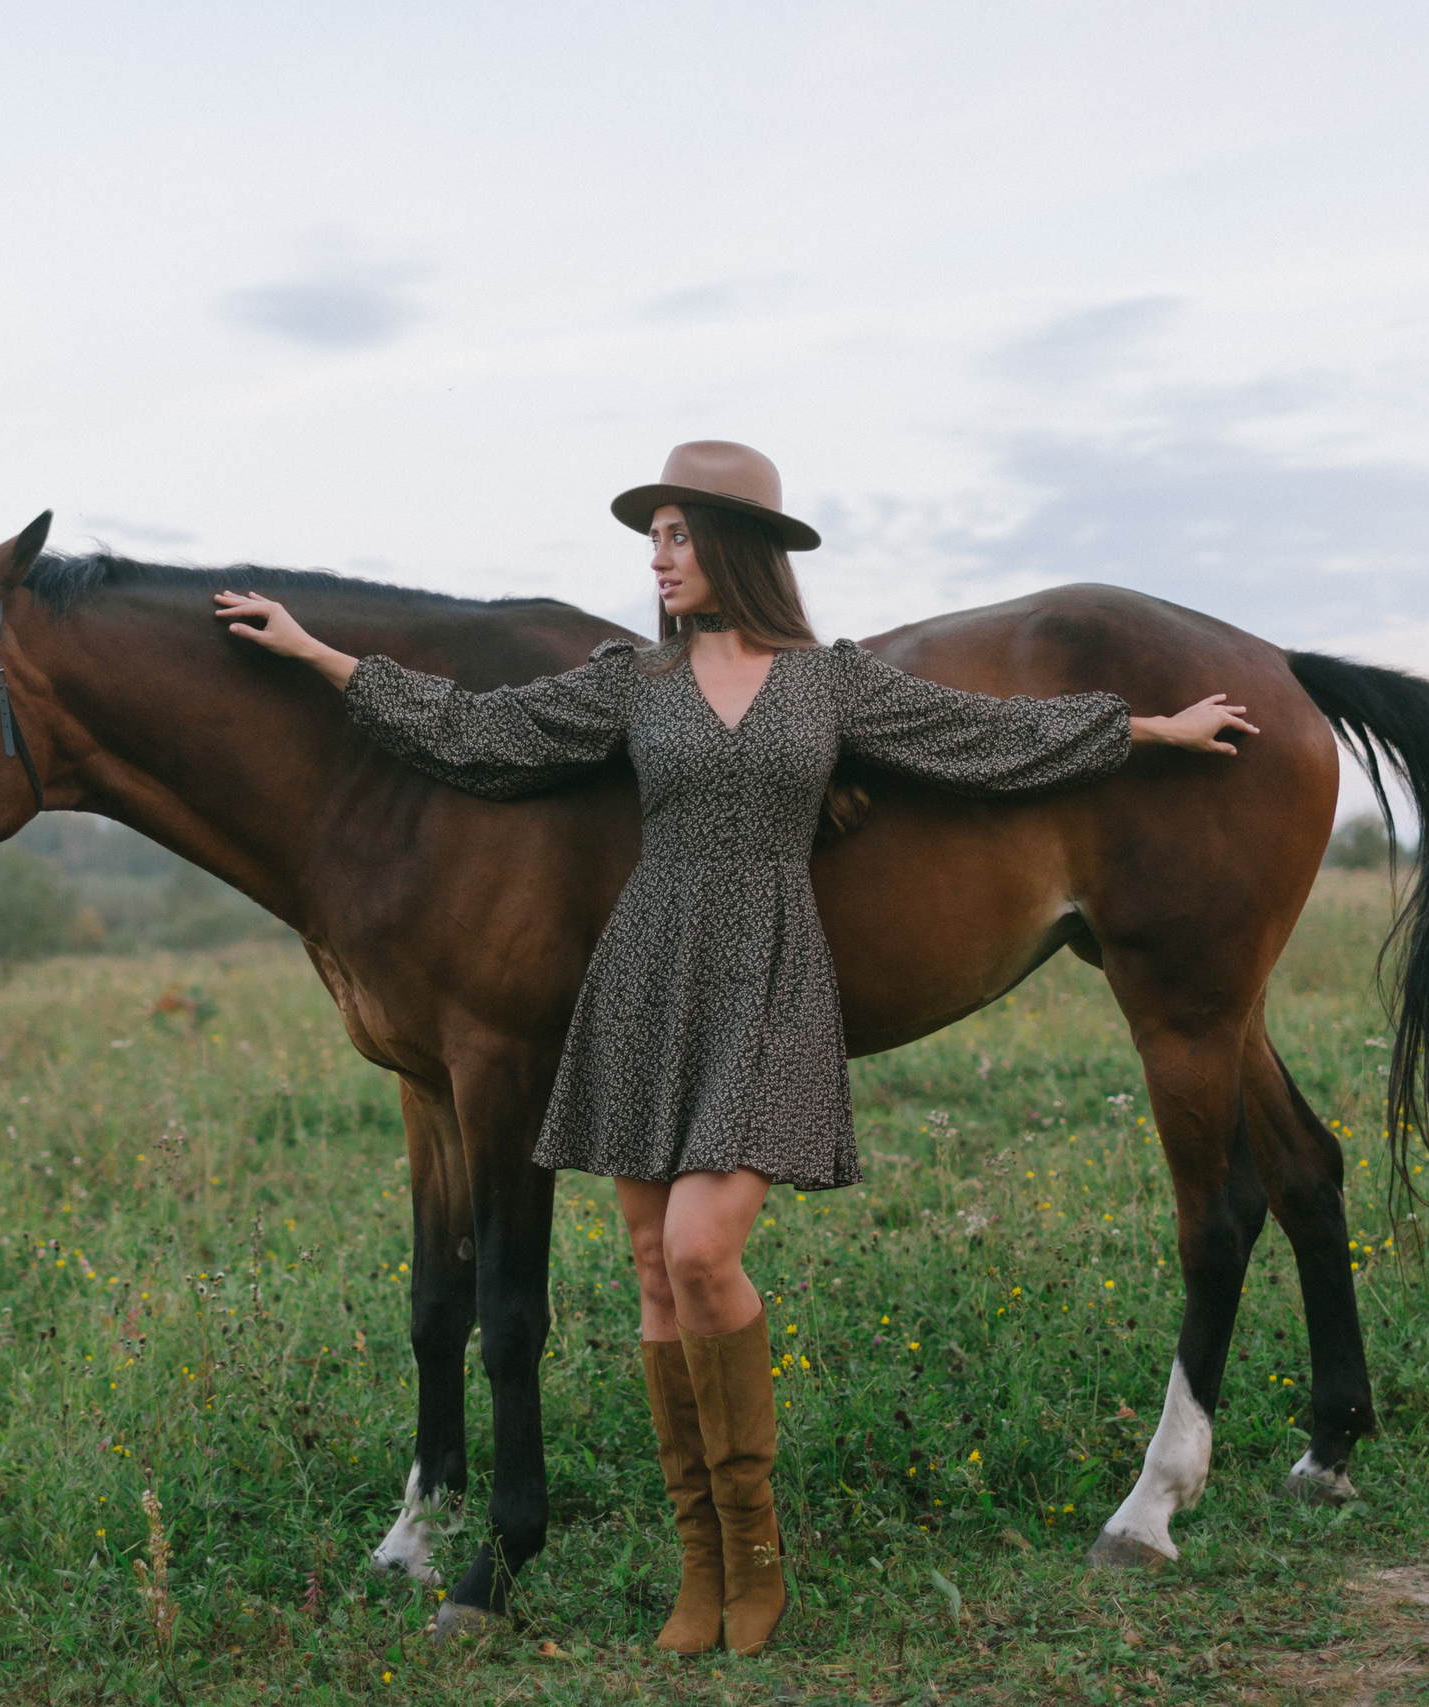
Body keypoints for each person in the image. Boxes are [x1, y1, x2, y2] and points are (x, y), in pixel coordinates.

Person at [213, 441, 1254, 1656]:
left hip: (768, 978)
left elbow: (986, 735)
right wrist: (315, 653)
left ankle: (754, 1555)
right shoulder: (631, 684)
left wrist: (1156, 730)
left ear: (736, 546)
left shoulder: (828, 684)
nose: (656, 560)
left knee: (703, 1253)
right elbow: (473, 731)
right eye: (651, 539)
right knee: (653, 1273)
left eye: (676, 536)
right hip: (642, 977)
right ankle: (698, 1568)